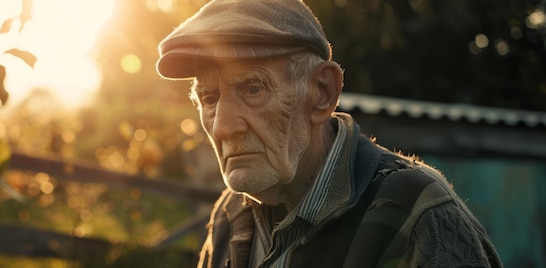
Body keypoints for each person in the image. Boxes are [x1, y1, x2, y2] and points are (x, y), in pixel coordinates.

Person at [156, 0, 502, 267]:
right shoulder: (231, 215)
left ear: (321, 93)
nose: (222, 126)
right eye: (209, 98)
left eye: (252, 88)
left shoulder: (417, 215)